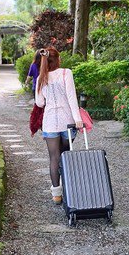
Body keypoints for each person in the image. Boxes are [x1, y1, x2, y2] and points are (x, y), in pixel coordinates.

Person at [34, 47, 83, 204]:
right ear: (57, 59)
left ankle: (56, 194)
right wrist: (78, 119)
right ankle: (69, 188)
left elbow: (40, 102)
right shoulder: (65, 73)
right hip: (68, 122)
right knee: (65, 154)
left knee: (54, 157)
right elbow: (71, 97)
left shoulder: (42, 78)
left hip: (50, 123)